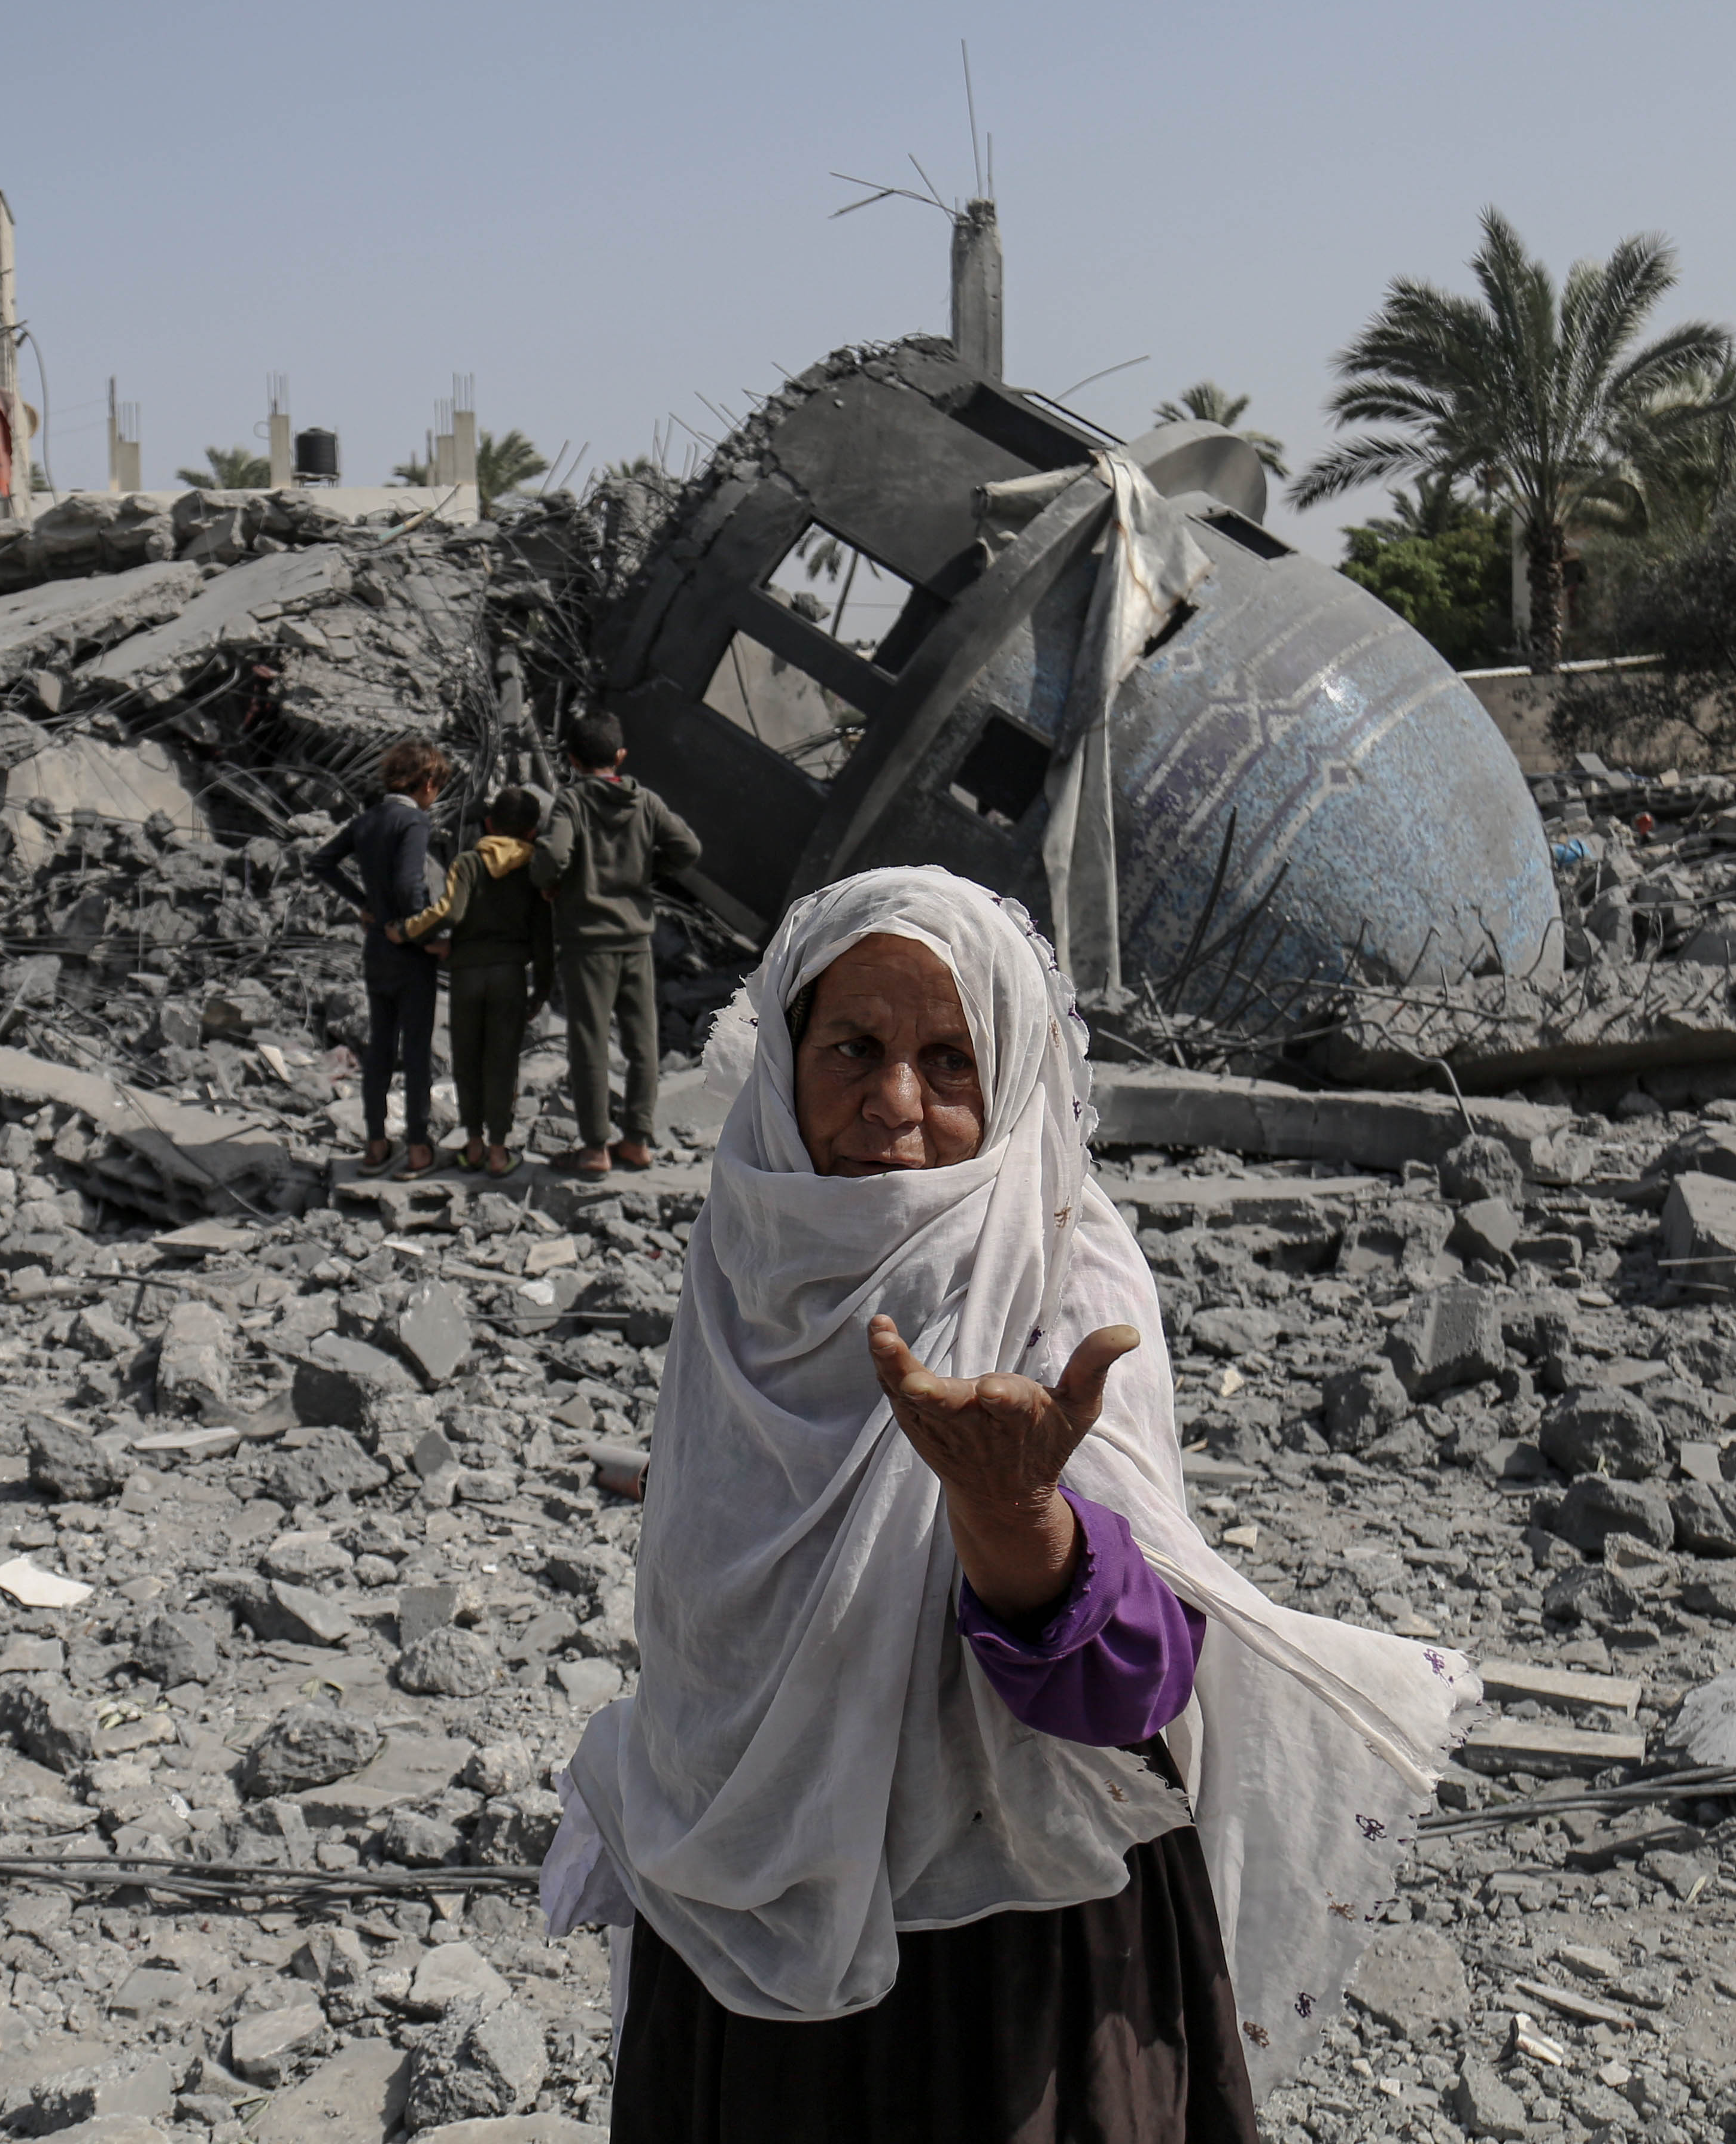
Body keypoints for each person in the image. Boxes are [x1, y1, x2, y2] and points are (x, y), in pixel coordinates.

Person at [542, 865, 1477, 2142]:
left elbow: (1135, 1689)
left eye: (951, 1060)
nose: (895, 1106)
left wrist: (1014, 1513)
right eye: (853, 1049)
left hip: (1010, 1967)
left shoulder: (1058, 1278)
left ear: (1019, 1074)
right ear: (784, 1060)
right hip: (744, 1947)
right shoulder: (747, 1271)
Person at [533, 709, 700, 1177]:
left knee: (590, 1044)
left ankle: (594, 1149)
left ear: (570, 758)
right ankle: (637, 1141)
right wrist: (647, 872)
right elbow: (687, 848)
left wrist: (551, 883)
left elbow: (551, 854)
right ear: (620, 756)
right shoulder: (645, 802)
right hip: (636, 939)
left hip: (588, 942)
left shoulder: (571, 804)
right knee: (642, 1043)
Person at [391, 783, 555, 1177]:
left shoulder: (468, 863)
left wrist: (409, 932)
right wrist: (543, 989)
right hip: (510, 977)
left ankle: (474, 1146)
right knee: (502, 1064)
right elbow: (543, 936)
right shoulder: (534, 871)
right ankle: (500, 1152)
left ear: (488, 823)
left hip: (466, 976)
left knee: (467, 1062)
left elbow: (448, 913)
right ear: (532, 831)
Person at [310, 737, 449, 1176]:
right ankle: (419, 1148)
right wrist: (418, 931)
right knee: (416, 1052)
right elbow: (411, 884)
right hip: (408, 952)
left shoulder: (367, 820)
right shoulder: (413, 822)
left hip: (375, 951)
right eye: (437, 787)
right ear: (428, 782)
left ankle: (374, 1146)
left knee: (379, 1050)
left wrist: (364, 903)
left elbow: (321, 862)